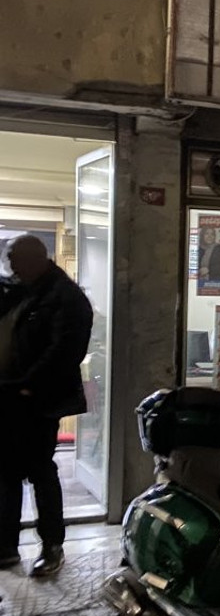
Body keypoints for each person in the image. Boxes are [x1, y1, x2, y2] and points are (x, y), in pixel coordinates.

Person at [0, 235, 92, 577]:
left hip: (37, 400)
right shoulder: (24, 290)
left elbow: (65, 352)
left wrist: (27, 386)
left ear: (35, 258)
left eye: (14, 258)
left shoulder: (65, 297)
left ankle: (52, 546)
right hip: (10, 396)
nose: (9, 265)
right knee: (7, 472)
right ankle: (6, 547)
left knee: (40, 470)